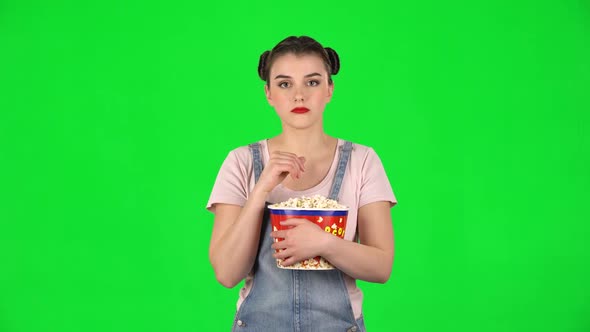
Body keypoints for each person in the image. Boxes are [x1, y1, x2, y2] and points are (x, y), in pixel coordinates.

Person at [206, 36, 397, 331]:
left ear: (329, 89)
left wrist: (325, 243)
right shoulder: (241, 162)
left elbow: (382, 266)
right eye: (284, 84)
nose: (299, 96)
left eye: (312, 82)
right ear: (268, 93)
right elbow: (227, 274)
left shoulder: (362, 161)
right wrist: (260, 192)